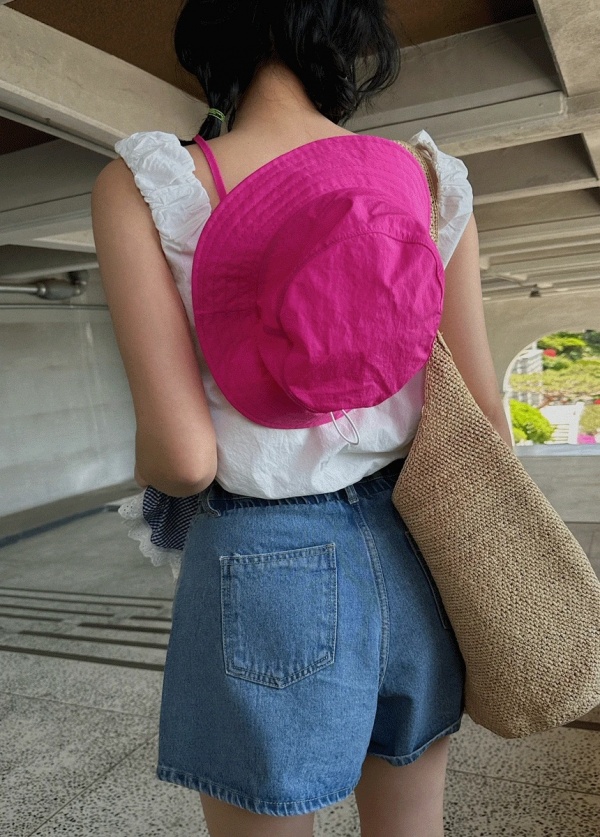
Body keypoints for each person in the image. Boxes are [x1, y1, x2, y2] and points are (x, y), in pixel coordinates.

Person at [92, 2, 513, 835]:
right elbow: (484, 422)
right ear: (350, 38)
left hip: (263, 566)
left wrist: (146, 477)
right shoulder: (432, 181)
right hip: (419, 549)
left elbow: (184, 458)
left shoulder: (152, 185)